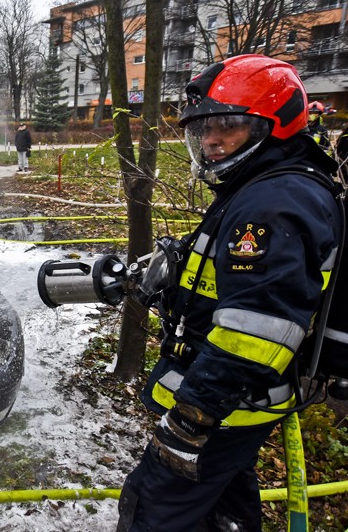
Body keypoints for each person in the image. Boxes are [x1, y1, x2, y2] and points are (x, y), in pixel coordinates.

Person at [117, 55, 341, 531]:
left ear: (274, 125)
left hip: (226, 408)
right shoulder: (260, 186)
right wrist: (163, 273)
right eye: (204, 130)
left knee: (153, 510)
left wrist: (192, 418)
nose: (212, 141)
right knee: (224, 507)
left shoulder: (275, 202)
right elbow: (231, 281)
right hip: (234, 406)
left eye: (228, 126)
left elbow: (257, 328)